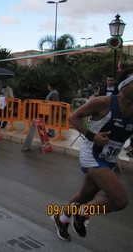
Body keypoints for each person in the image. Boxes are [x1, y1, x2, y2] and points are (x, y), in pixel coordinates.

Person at [51, 67, 133, 242]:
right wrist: (92, 136)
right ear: (124, 86)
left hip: (109, 158)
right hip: (92, 154)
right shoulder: (104, 102)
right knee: (120, 200)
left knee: (85, 195)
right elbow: (73, 117)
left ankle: (62, 218)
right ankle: (83, 214)